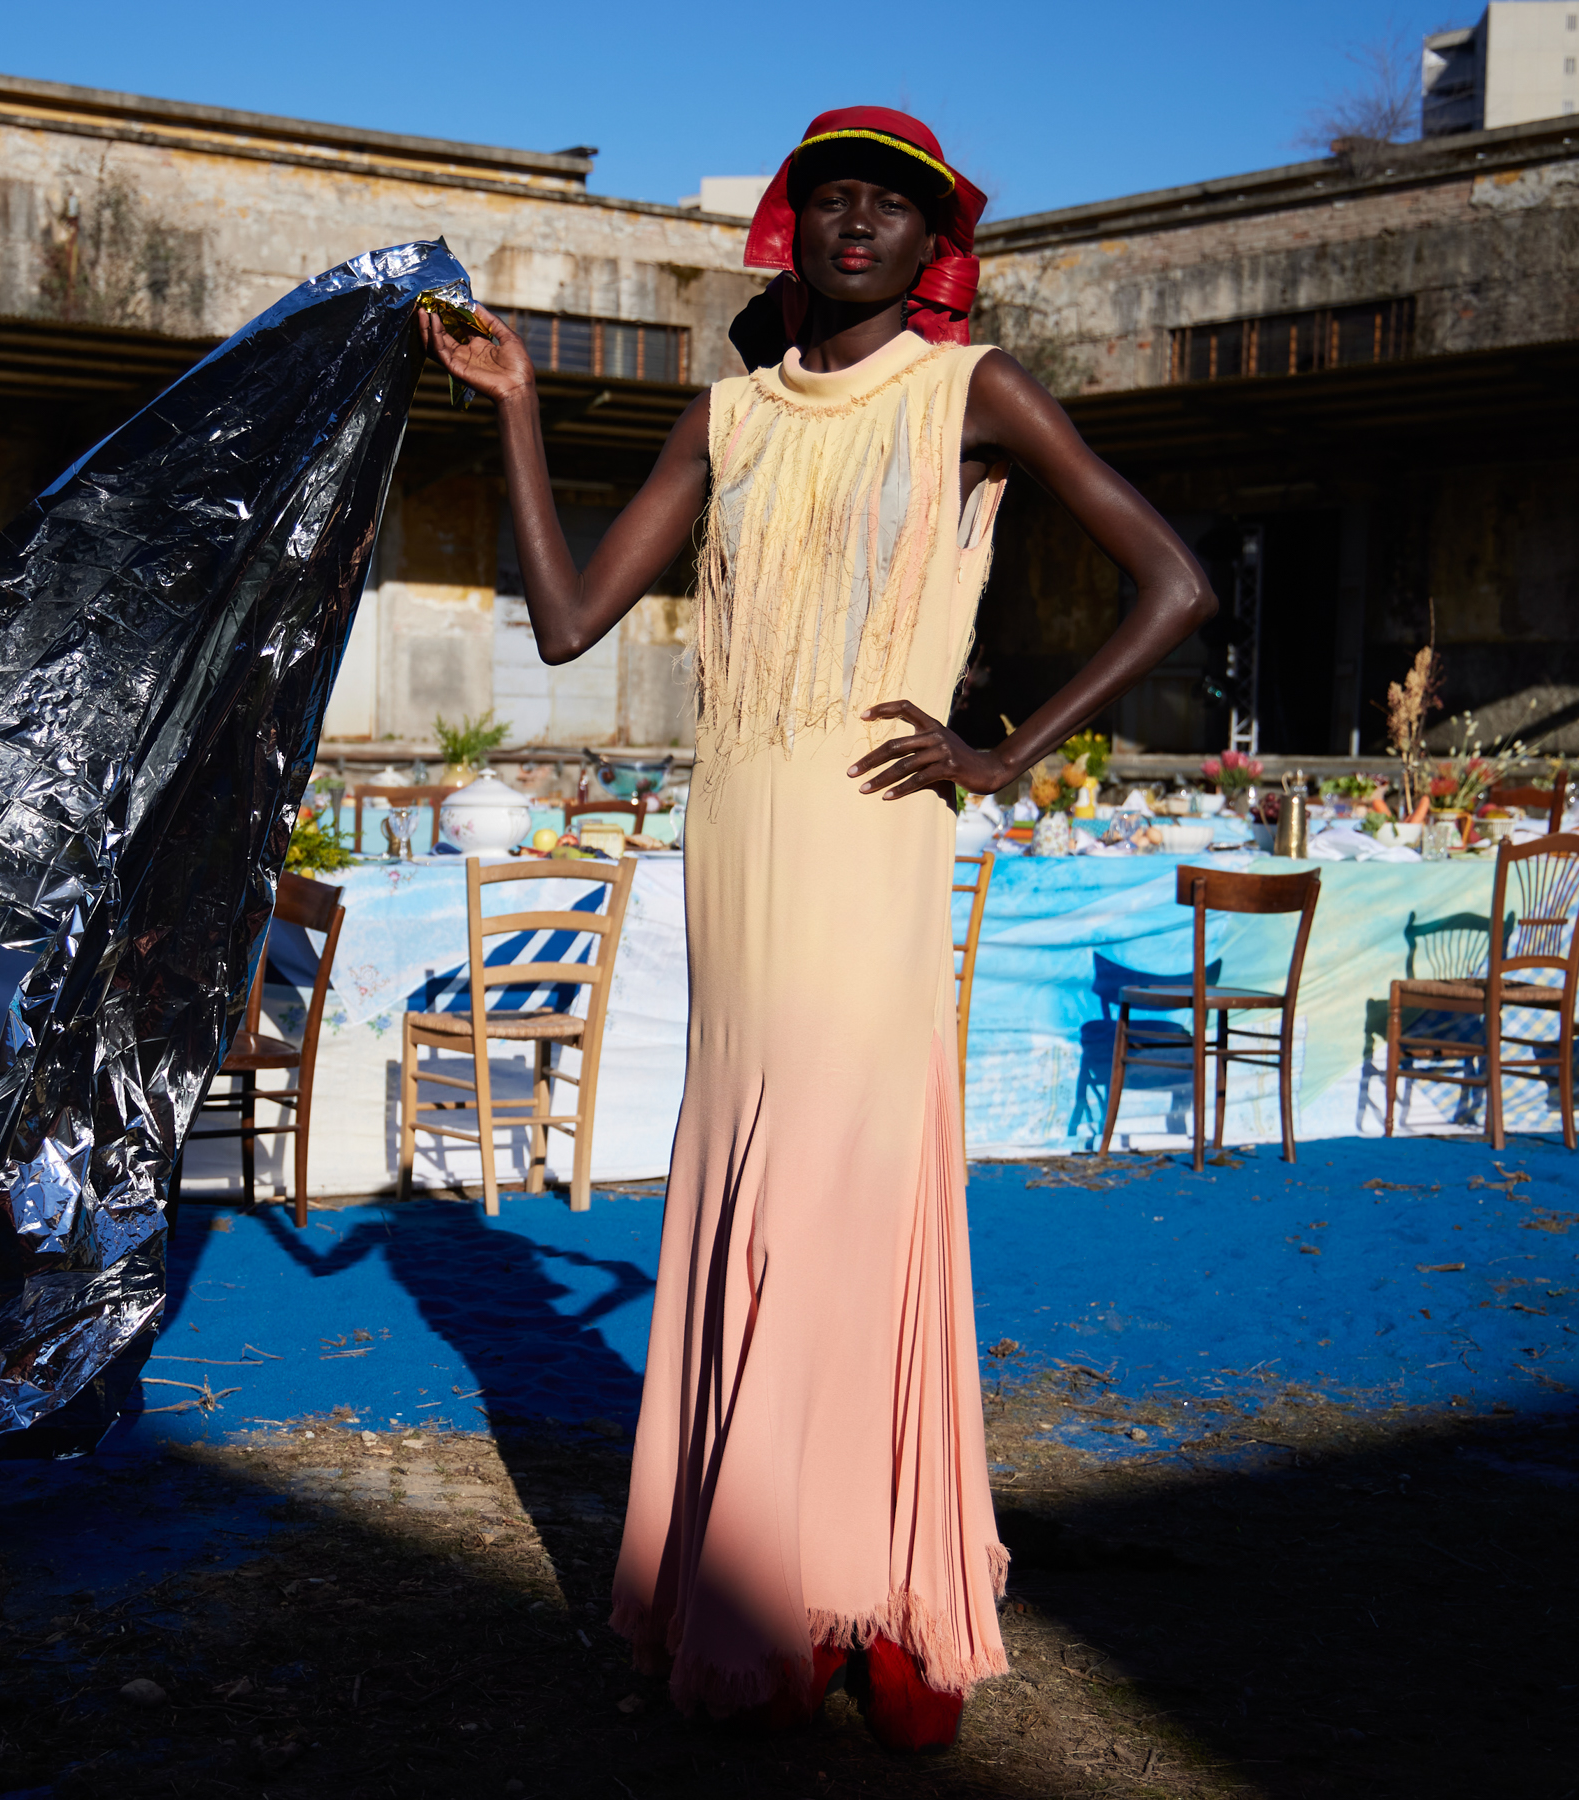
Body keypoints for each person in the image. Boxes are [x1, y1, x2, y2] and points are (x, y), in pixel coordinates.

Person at [421, 107, 1216, 1747]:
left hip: (871, 835)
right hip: (739, 830)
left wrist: (1005, 749)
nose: (860, 219)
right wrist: (515, 411)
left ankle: (893, 1596)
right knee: (751, 1187)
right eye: (833, 196)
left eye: (895, 204)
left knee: (851, 1199)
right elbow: (571, 622)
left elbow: (1176, 583)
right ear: (794, 229)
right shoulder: (726, 414)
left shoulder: (972, 390)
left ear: (937, 246)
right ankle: (762, 1592)